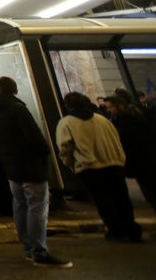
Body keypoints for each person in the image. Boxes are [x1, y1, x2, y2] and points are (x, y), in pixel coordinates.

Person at [0, 77, 71, 268]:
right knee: (37, 208)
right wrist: (44, 152)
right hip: (29, 165)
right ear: (14, 89)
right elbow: (36, 138)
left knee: (20, 205)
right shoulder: (17, 108)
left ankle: (28, 248)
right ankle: (39, 251)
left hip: (11, 165)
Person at [56, 91, 141, 242]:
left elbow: (64, 148)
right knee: (122, 198)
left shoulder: (66, 123)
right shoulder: (101, 119)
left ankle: (116, 231)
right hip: (113, 164)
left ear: (67, 105)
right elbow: (115, 138)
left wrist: (71, 165)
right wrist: (119, 159)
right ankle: (132, 229)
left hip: (89, 167)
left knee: (104, 201)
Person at [104, 93, 156, 236]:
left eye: (110, 107)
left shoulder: (127, 120)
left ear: (118, 105)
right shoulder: (133, 116)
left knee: (155, 195)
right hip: (147, 161)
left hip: (144, 162)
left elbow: (132, 141)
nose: (108, 110)